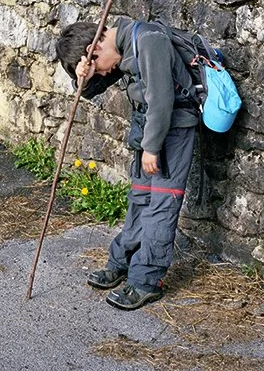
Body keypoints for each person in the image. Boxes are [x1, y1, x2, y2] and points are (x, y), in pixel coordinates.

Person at [55, 17, 199, 310]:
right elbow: (94, 87)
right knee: (140, 199)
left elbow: (161, 98)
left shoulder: (148, 41)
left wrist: (152, 148)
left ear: (95, 47)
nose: (109, 71)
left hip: (172, 130)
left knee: (161, 204)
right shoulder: (118, 46)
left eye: (100, 64)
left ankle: (146, 281)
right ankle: (122, 262)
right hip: (147, 129)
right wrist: (85, 77)